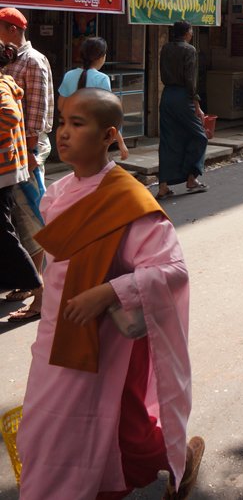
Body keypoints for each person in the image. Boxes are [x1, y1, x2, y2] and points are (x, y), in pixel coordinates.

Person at [17, 88, 204, 500]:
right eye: (62, 121)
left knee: (88, 431)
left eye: (77, 124)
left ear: (108, 136)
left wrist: (107, 292)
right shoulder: (57, 193)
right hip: (54, 336)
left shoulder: (127, 200)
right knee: (58, 428)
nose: (63, 133)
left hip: (99, 345)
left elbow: (172, 269)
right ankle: (175, 461)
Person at [0, 6, 54, 321]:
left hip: (24, 154)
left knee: (31, 223)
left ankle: (41, 295)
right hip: (14, 152)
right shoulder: (10, 60)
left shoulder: (32, 61)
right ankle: (28, 283)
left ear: (10, 29)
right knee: (19, 224)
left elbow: (36, 113)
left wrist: (30, 155)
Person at [0, 40, 42, 298]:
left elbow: (10, 115)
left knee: (4, 232)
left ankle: (37, 286)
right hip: (8, 167)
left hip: (3, 169)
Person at [157, 21, 208, 200]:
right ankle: (192, 178)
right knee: (199, 136)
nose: (192, 33)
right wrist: (197, 105)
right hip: (182, 96)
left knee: (168, 139)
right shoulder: (189, 50)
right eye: (191, 30)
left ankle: (163, 185)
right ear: (186, 32)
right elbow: (190, 80)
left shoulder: (165, 49)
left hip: (167, 95)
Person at [59, 36, 129, 160]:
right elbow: (109, 115)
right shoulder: (102, 79)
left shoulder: (69, 75)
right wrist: (121, 143)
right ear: (101, 57)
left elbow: (60, 105)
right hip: (94, 136)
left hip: (72, 135)